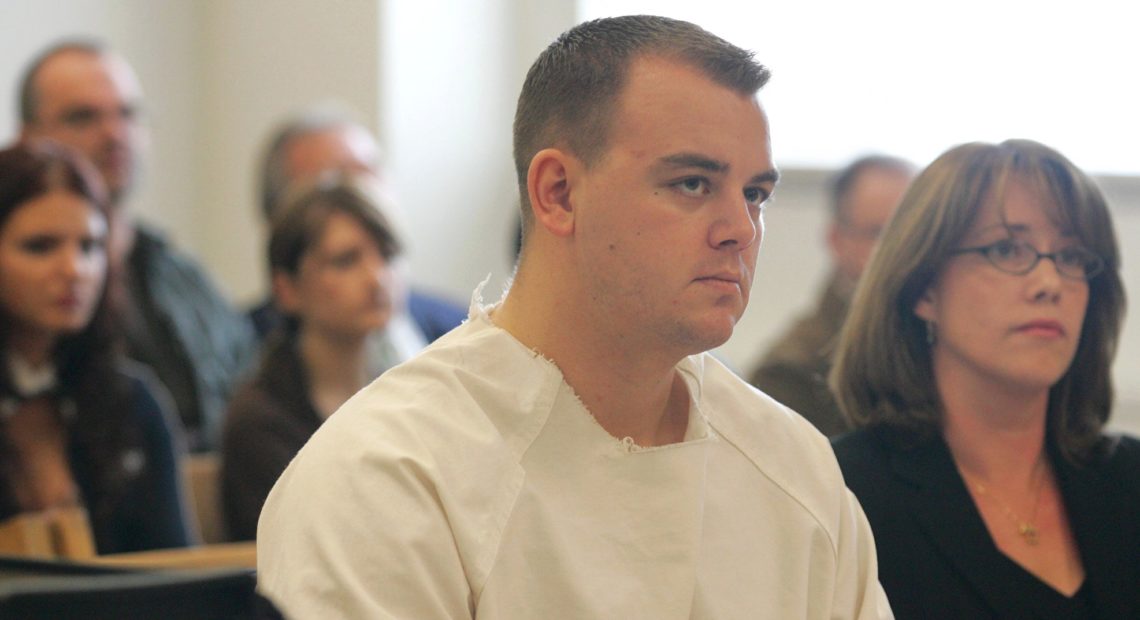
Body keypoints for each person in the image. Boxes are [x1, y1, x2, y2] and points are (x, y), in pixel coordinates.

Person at [258, 15, 890, 618]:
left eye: (755, 194)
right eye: (693, 183)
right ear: (558, 193)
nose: (739, 230)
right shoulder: (385, 476)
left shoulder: (794, 467)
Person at [831, 139, 1139, 618]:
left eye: (1073, 256)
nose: (1049, 283)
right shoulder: (843, 492)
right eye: (1007, 249)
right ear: (924, 287)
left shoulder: (1128, 480)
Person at [17, 39, 256, 451]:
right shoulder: (25, 293)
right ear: (29, 137)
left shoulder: (184, 276)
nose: (115, 134)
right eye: (84, 117)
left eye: (128, 114)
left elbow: (248, 394)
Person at [0, 141, 193, 553]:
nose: (74, 270)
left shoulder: (132, 401)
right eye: (41, 246)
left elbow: (176, 574)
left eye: (89, 247)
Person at [221, 177, 402, 541]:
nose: (377, 277)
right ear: (287, 290)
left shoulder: (410, 394)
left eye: (386, 255)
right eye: (346, 261)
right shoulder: (259, 420)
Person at [250, 109, 465, 357]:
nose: (376, 278)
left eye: (373, 175)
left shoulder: (457, 332)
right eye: (339, 181)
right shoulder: (240, 354)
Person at [749, 155, 913, 435]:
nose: (902, 250)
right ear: (838, 240)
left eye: (913, 232)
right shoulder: (790, 374)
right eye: (881, 233)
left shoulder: (946, 342)